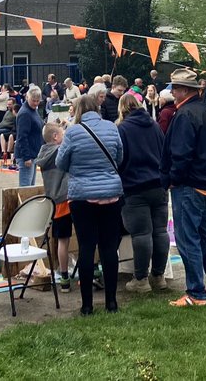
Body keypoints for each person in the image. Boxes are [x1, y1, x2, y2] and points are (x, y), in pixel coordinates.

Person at [161, 68, 206, 308]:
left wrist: (172, 178)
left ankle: (196, 292)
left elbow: (181, 154)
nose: (172, 91)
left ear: (185, 90)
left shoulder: (185, 114)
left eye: (175, 88)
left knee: (187, 239)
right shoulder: (203, 111)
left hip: (189, 183)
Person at [57, 93, 123, 315]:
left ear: (78, 111)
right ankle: (111, 302)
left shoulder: (73, 132)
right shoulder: (112, 128)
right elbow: (119, 156)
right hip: (112, 194)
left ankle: (86, 306)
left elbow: (61, 162)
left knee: (87, 247)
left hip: (82, 196)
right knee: (108, 248)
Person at [117, 94, 169, 294]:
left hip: (135, 186)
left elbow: (119, 157)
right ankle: (159, 276)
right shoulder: (154, 125)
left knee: (141, 234)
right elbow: (165, 151)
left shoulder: (122, 129)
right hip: (159, 184)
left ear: (122, 109)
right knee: (160, 231)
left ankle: (141, 279)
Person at [36, 123, 73, 292]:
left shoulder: (43, 154)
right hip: (69, 198)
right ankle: (93, 272)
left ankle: (64, 277)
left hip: (55, 202)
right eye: (62, 133)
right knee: (85, 234)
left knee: (62, 241)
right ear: (55, 137)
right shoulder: (60, 150)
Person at [15, 87, 44, 187]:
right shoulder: (25, 114)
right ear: (27, 97)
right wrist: (26, 157)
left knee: (31, 186)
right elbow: (22, 136)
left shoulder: (33, 110)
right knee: (26, 187)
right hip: (26, 156)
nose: (36, 103)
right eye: (33, 100)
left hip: (33, 154)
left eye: (37, 101)